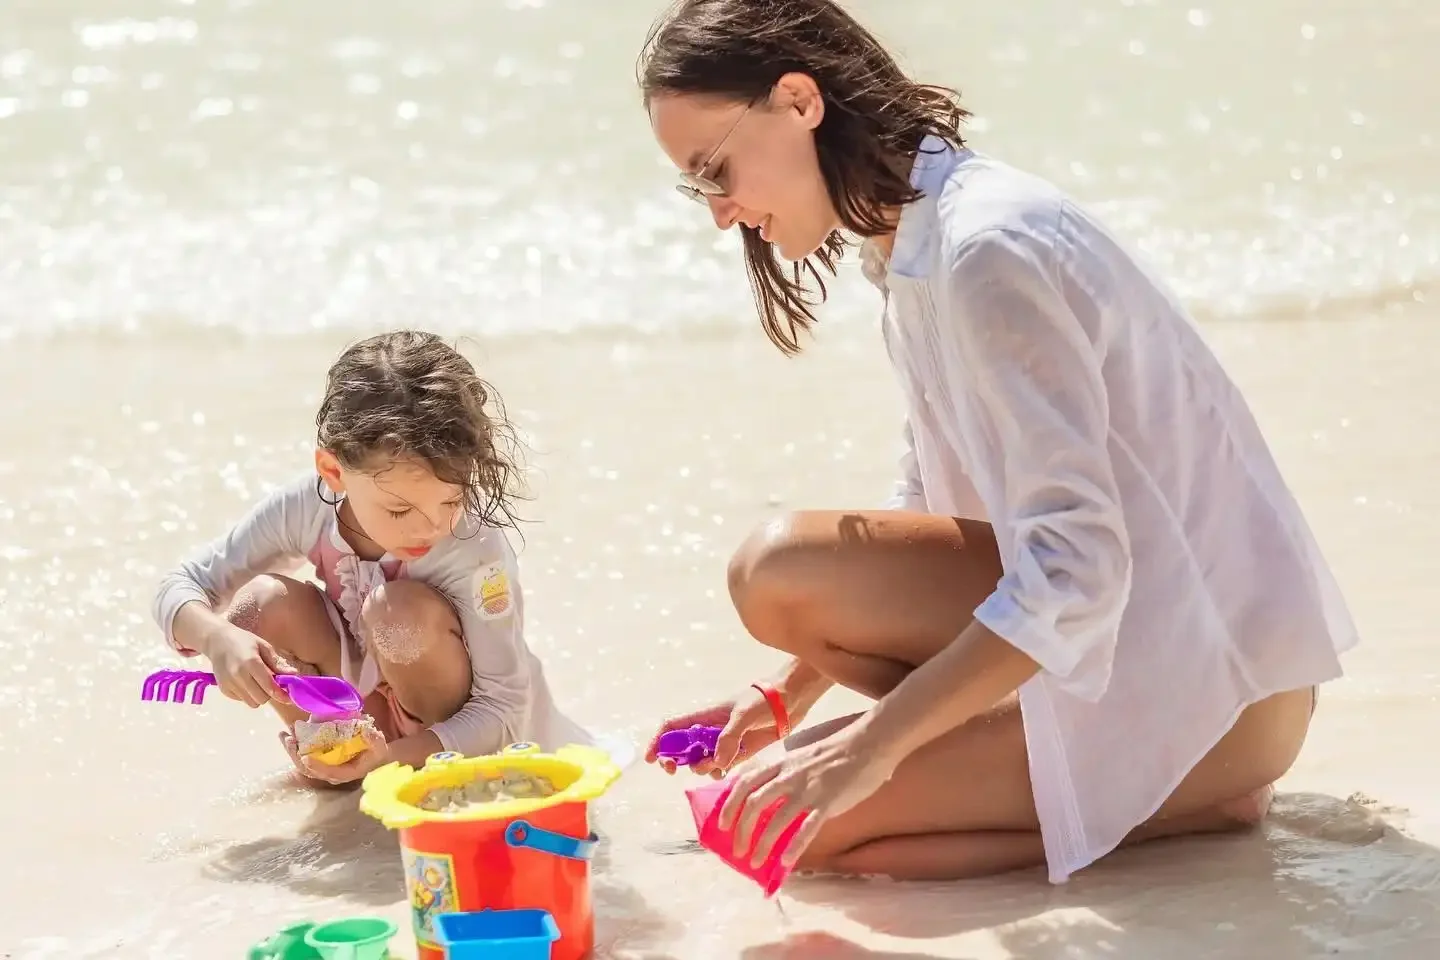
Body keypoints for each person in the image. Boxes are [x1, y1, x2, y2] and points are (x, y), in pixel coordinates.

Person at [638, 0, 1359, 884]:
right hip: (1144, 641)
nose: (720, 212)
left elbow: (1077, 567)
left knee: (785, 679)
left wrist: (868, 749)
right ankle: (1153, 797)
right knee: (767, 780)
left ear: (798, 101)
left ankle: (1190, 800)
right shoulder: (912, 242)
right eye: (698, 185)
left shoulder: (988, 249)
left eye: (716, 170)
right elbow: (933, 512)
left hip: (1219, 687)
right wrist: (786, 696)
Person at [151, 330, 589, 785]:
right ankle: (336, 749)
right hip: (361, 718)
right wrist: (215, 637)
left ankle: (405, 773)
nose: (431, 527)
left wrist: (392, 760)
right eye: (400, 509)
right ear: (333, 471)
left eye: (451, 500)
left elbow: (504, 710)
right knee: (259, 607)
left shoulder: (472, 546)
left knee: (398, 615)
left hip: (462, 743)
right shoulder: (306, 507)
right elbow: (180, 585)